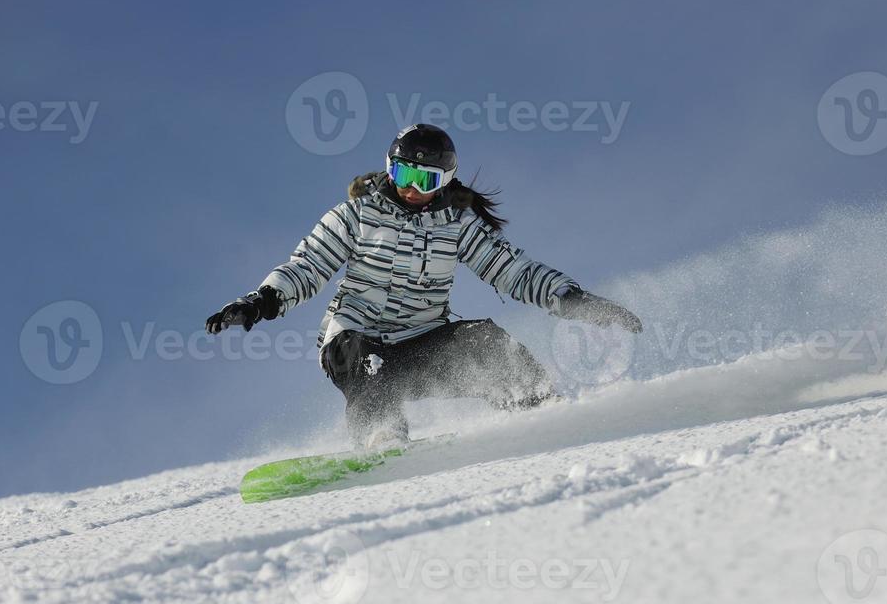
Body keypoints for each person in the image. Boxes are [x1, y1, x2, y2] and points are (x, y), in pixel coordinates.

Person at [206, 124, 643, 448]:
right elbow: (309, 264)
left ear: (445, 182)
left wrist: (572, 299)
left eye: (426, 181)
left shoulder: (457, 223)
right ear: (389, 168)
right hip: (354, 342)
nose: (413, 190)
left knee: (484, 340)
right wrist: (261, 301)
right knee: (366, 359)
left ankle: (543, 410)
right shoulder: (357, 214)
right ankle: (383, 436)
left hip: (420, 345)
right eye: (404, 174)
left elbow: (513, 270)